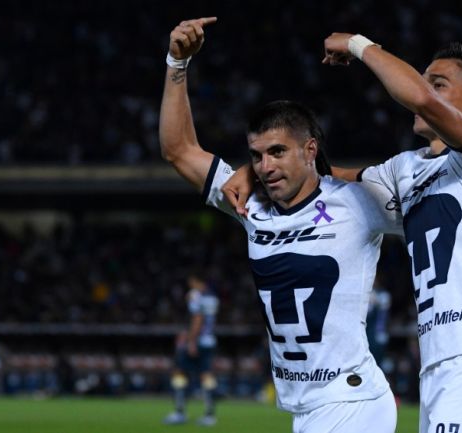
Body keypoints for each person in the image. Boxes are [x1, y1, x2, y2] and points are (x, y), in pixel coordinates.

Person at [160, 18, 402, 433]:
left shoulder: (357, 202)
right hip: (304, 409)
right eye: (256, 155)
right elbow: (178, 150)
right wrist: (176, 63)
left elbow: (428, 189)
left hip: (352, 402)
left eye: (277, 151)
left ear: (310, 149)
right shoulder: (247, 202)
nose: (266, 166)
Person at [317, 35, 462, 433]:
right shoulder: (404, 169)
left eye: (439, 83)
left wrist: (360, 45)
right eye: (424, 79)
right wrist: (255, 172)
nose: (424, 87)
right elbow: (325, 182)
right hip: (437, 366)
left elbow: (421, 100)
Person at [164, 271, 220, 426]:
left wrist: (191, 341)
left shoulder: (195, 295)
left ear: (195, 281)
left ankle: (179, 412)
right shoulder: (213, 297)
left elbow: (197, 318)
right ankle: (210, 415)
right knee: (206, 375)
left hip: (197, 341)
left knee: (179, 372)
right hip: (209, 340)